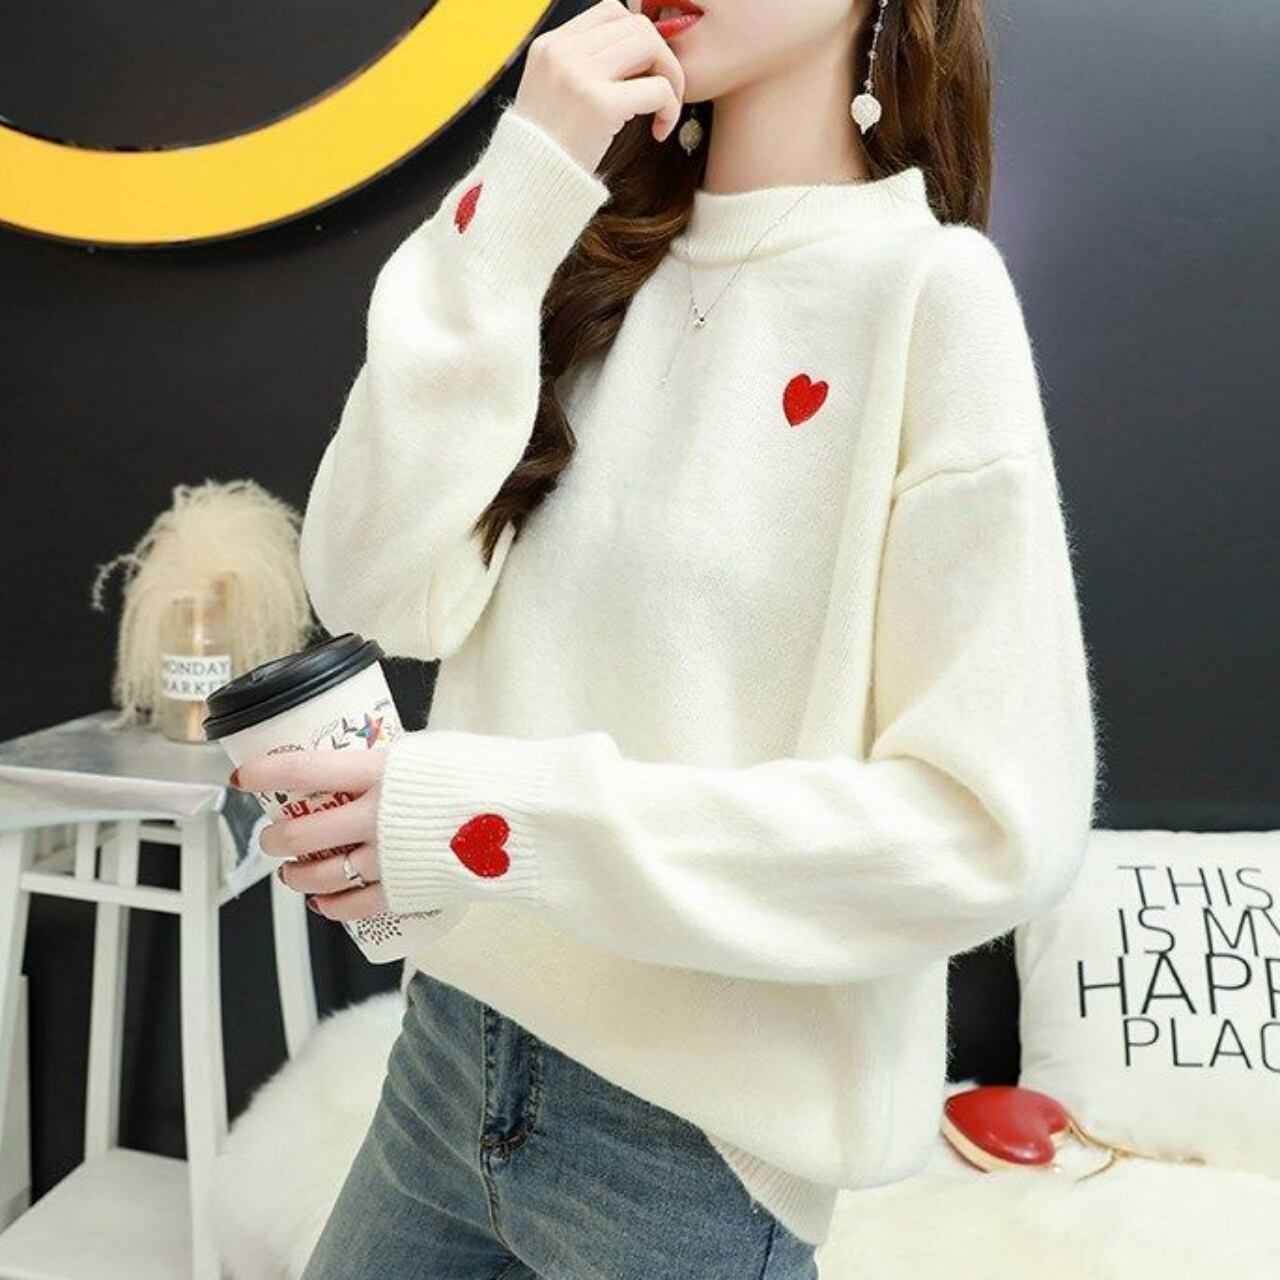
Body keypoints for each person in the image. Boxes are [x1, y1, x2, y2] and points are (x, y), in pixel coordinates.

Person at [237, 0, 1100, 1274]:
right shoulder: (590, 255)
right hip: (447, 1055)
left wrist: (485, 822)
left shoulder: (927, 295)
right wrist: (524, 180)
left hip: (686, 1153)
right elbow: (369, 577)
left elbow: (987, 824)